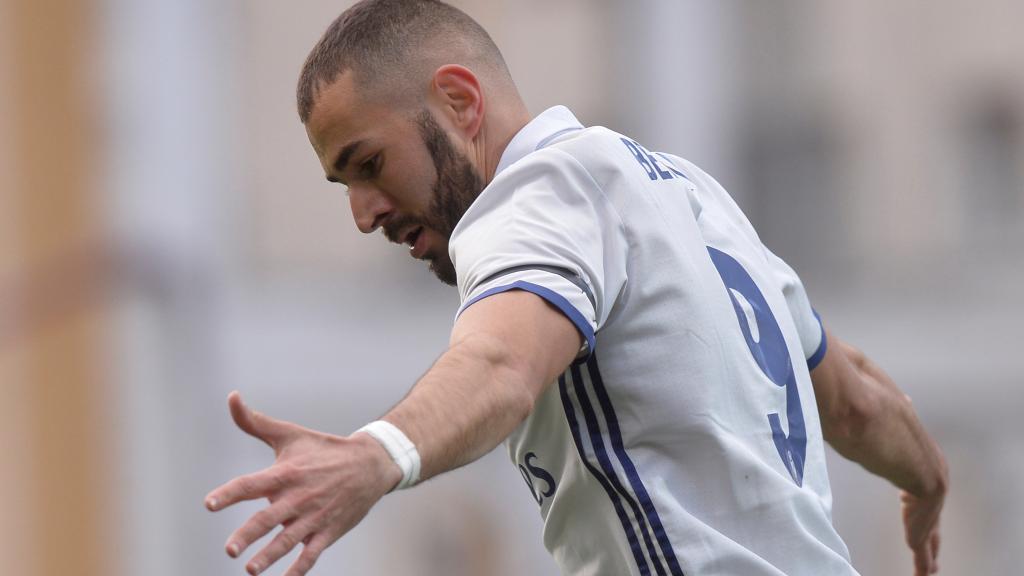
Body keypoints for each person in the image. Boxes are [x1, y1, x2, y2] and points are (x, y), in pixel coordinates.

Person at [205, 1, 949, 575]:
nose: (363, 215)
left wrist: (376, 456)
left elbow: (501, 365)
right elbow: (852, 398)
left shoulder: (543, 191)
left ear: (461, 104)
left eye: (368, 165)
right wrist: (927, 474)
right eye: (343, 184)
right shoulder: (693, 197)